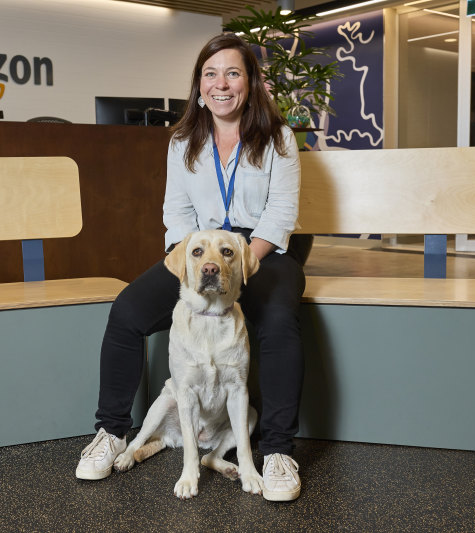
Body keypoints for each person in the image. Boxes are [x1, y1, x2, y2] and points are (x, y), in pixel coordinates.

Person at [75, 33, 305, 502]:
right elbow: (176, 215)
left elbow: (280, 214)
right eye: (210, 74)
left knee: (279, 322)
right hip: (199, 252)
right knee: (126, 312)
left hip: (258, 252)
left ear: (251, 82)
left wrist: (237, 264)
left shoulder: (277, 138)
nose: (222, 84)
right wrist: (196, 263)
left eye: (233, 73)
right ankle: (112, 432)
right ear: (199, 86)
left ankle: (278, 452)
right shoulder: (183, 141)